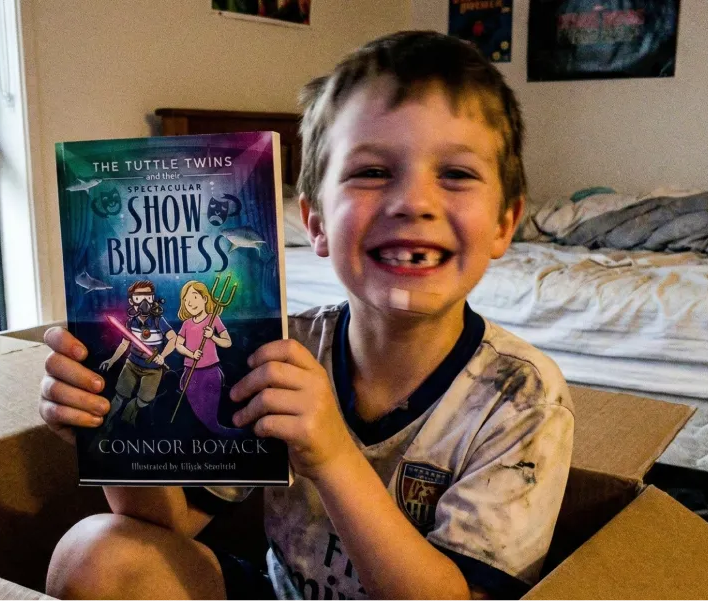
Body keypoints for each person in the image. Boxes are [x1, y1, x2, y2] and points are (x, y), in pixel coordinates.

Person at [38, 31, 574, 601]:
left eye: (457, 174)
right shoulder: (281, 350)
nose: (413, 202)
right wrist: (112, 426)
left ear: (504, 223)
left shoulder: (523, 398)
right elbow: (168, 530)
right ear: (314, 222)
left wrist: (334, 455)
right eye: (371, 171)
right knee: (96, 554)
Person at [97, 280, 177, 428]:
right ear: (132, 301)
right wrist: (112, 360)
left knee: (144, 401)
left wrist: (162, 356)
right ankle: (106, 424)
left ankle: (129, 416)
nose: (144, 302)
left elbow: (173, 339)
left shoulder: (159, 321)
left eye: (148, 297)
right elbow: (124, 343)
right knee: (119, 396)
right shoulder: (130, 322)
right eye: (139, 298)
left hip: (153, 369)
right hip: (132, 363)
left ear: (153, 299)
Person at [174, 279, 242, 437]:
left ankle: (220, 432)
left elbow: (227, 342)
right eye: (186, 300)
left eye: (194, 297)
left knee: (208, 415)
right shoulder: (186, 324)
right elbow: (178, 344)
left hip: (210, 372)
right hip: (190, 372)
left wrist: (213, 336)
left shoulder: (214, 319)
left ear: (205, 299)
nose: (190, 303)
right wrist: (191, 354)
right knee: (196, 413)